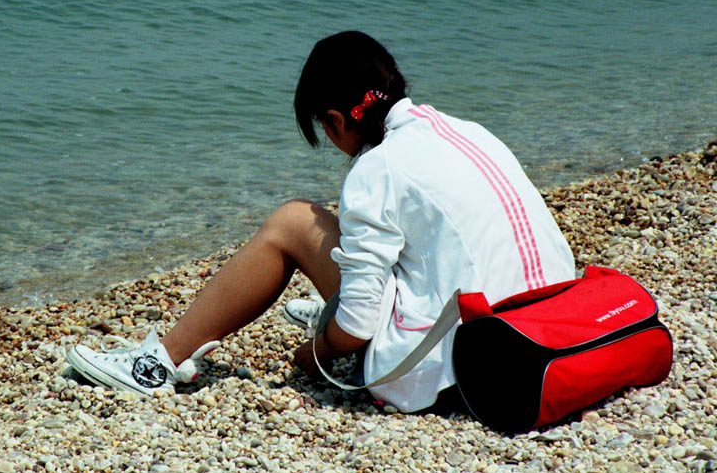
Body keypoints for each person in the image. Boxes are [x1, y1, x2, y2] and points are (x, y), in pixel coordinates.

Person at [67, 31, 575, 412]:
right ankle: (326, 301)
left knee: (292, 222)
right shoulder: (467, 131)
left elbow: (356, 327)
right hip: (547, 333)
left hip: (460, 371)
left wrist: (319, 351)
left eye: (324, 131)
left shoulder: (377, 168)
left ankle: (155, 363)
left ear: (335, 121)